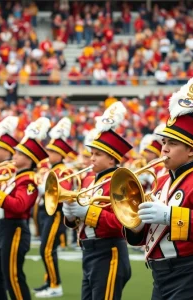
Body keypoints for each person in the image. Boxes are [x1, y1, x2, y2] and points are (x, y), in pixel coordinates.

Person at [124, 75, 193, 299]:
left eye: (172, 144)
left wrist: (170, 215)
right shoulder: (163, 181)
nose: (163, 149)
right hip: (161, 275)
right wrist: (136, 224)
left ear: (191, 151)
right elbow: (151, 233)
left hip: (192, 272)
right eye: (164, 142)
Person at [63, 102, 132, 300]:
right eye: (91, 153)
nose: (91, 158)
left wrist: (88, 213)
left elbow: (122, 224)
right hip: (89, 250)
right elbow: (79, 221)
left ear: (112, 159)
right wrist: (71, 215)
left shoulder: (120, 182)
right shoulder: (87, 180)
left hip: (109, 251)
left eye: (97, 154)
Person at [0, 116, 49, 300]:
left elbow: (19, 206)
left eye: (18, 153)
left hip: (15, 230)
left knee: (13, 277)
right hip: (2, 228)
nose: (14, 155)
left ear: (28, 159)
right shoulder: (14, 177)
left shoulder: (28, 180)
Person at [34, 117, 75, 298]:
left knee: (47, 249)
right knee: (46, 249)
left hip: (56, 213)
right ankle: (48, 281)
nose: (48, 153)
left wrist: (46, 189)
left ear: (59, 154)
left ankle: (55, 285)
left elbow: (63, 192)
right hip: (45, 211)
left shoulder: (64, 171)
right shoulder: (49, 170)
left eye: (51, 151)